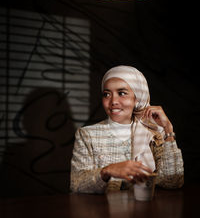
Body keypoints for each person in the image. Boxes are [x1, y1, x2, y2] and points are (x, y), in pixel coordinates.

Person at [70, 65, 184, 194]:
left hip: (147, 211)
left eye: (122, 93)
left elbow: (173, 182)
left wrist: (168, 130)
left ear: (137, 98)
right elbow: (77, 184)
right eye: (107, 94)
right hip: (105, 211)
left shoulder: (153, 133)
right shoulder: (87, 135)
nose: (113, 101)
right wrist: (107, 171)